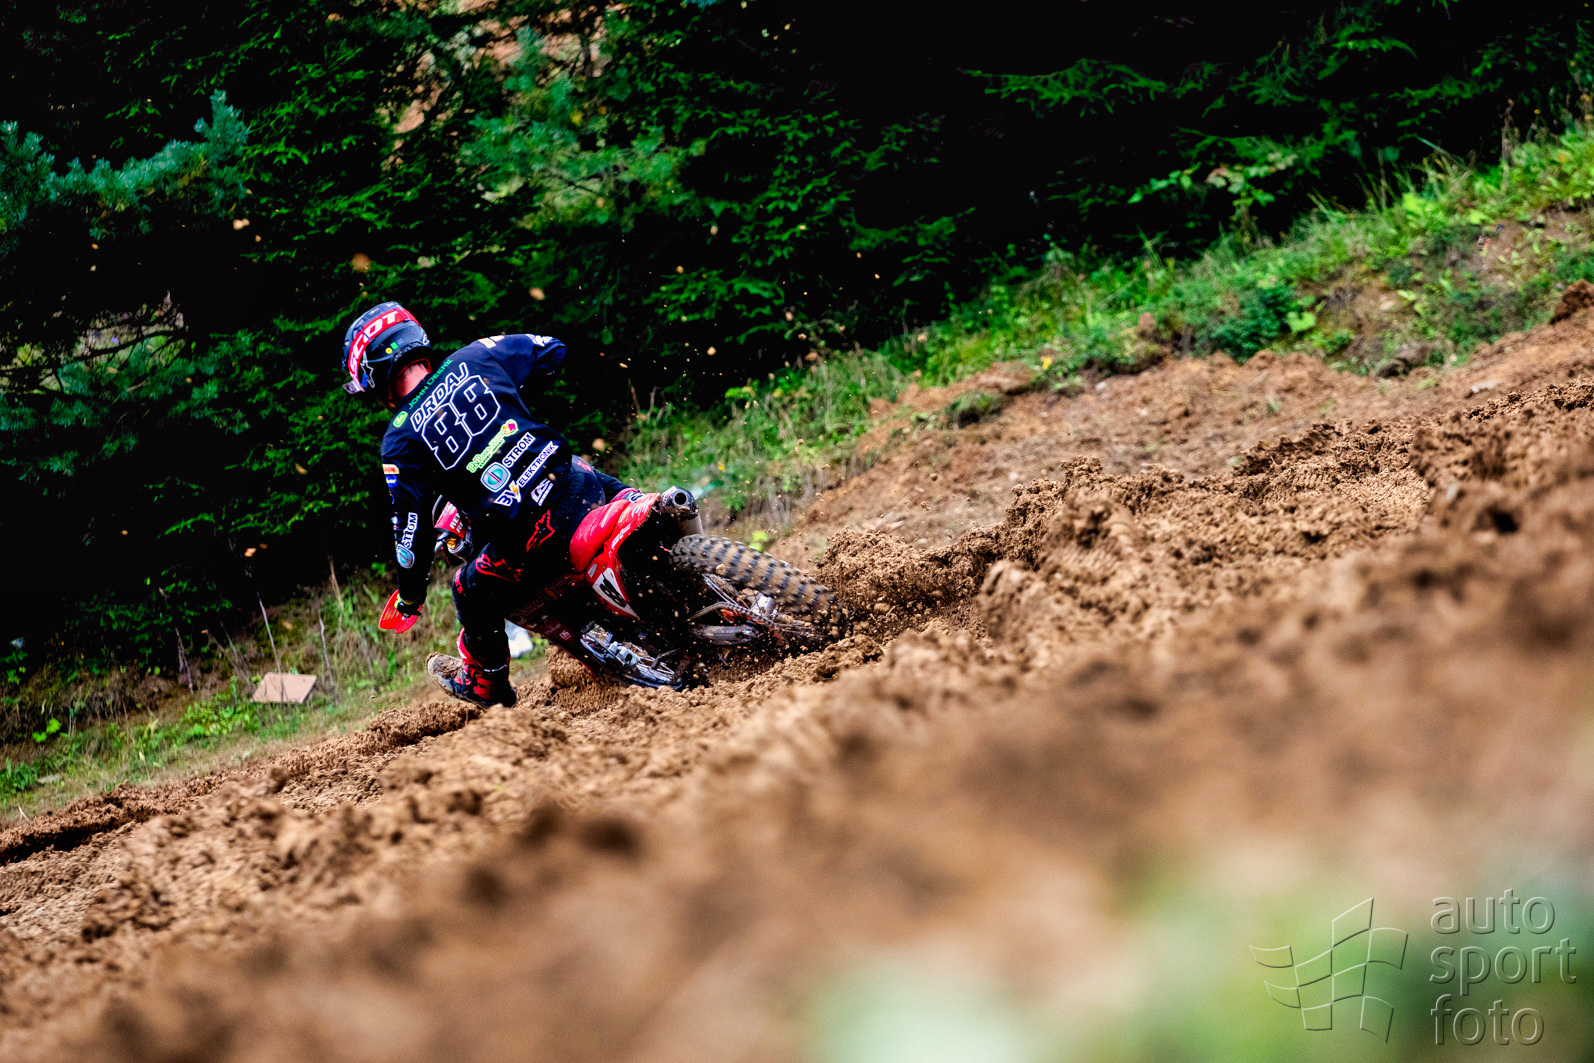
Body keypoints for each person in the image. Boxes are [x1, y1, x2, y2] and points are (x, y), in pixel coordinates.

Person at [341, 301, 640, 707]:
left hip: (527, 541)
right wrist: (510, 393)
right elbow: (553, 350)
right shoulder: (477, 356)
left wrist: (410, 598)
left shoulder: (399, 440)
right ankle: (656, 519)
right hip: (575, 487)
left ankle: (487, 685)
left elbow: (411, 531)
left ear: (374, 377)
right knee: (588, 473)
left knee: (467, 589)